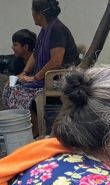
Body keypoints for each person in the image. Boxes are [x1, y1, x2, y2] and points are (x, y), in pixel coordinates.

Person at [2, 0, 79, 136]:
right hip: (46, 77)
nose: (31, 14)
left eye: (32, 10)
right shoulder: (45, 30)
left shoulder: (57, 29)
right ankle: (27, 127)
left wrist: (34, 78)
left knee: (19, 92)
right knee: (11, 87)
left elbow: (56, 61)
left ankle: (35, 129)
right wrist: (24, 73)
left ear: (39, 14)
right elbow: (35, 55)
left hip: (59, 78)